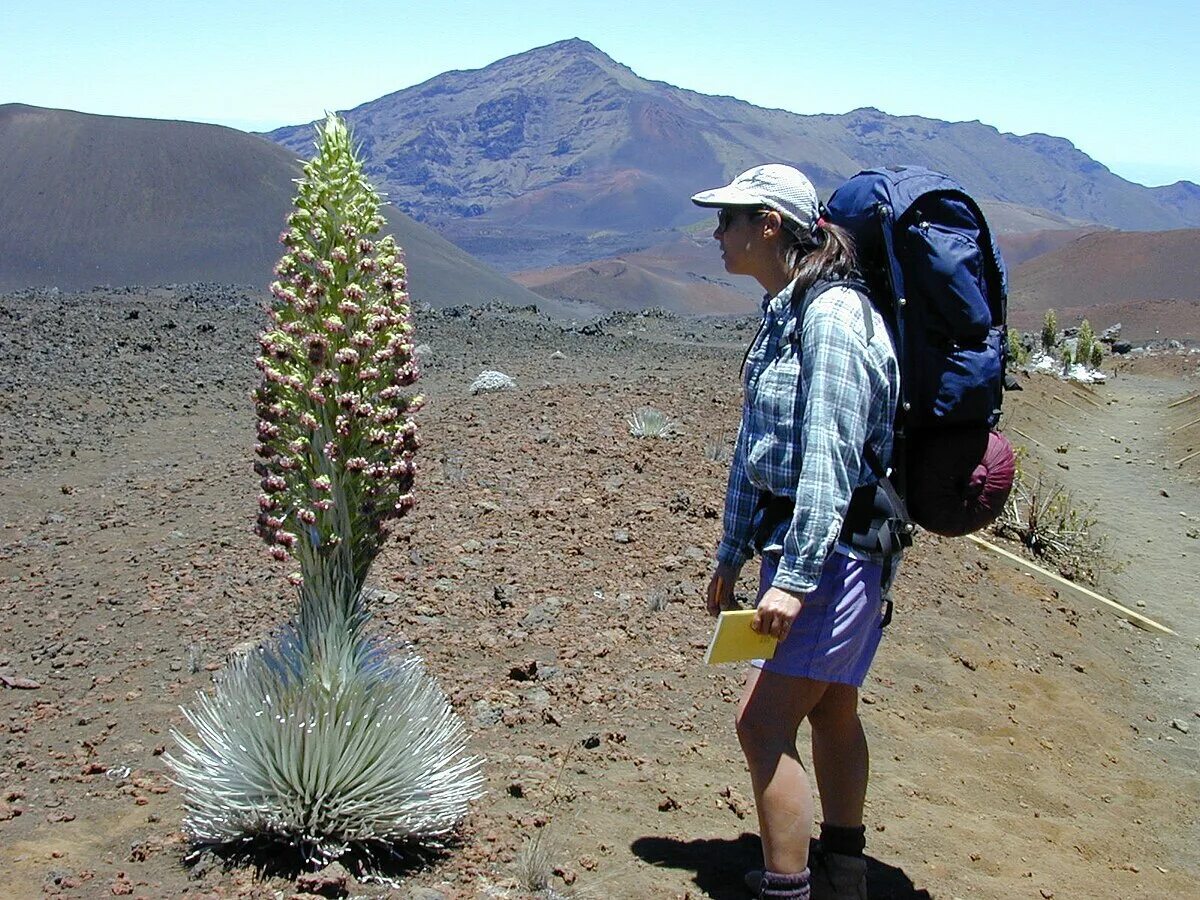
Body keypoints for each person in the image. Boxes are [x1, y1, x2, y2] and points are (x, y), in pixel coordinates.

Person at [692, 164, 901, 900]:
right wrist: (733, 553)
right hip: (813, 551)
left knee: (762, 723)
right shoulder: (788, 308)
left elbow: (831, 458)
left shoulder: (831, 316)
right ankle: (844, 874)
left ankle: (790, 891)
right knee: (833, 706)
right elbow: (760, 450)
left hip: (833, 556)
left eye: (729, 220)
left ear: (770, 225)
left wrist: (795, 577)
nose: (717, 234)